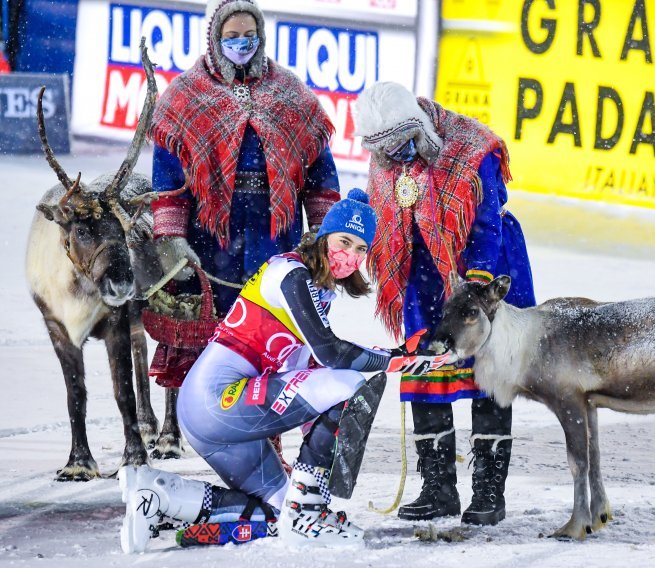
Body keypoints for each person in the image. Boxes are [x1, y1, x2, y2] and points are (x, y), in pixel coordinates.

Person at [120, 190, 449, 552]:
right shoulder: (291, 275)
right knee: (352, 383)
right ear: (323, 238)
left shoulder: (317, 293)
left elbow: (315, 367)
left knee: (279, 514)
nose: (350, 256)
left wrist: (396, 354)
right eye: (344, 241)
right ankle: (309, 511)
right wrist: (390, 361)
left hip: (223, 415)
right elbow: (331, 354)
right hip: (215, 401)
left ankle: (158, 496)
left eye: (359, 249)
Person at [353, 82, 537, 526]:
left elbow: (488, 225)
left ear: (417, 127)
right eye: (383, 149)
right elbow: (387, 221)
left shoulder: (474, 149)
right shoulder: (384, 158)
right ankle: (437, 489)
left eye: (401, 144)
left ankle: (489, 493)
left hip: (484, 269)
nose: (394, 155)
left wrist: (475, 287)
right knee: (424, 369)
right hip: (422, 278)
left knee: (488, 377)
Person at [147, 0, 339, 390]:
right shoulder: (185, 96)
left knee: (273, 329)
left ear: (262, 36)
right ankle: (215, 423)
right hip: (211, 237)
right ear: (215, 39)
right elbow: (168, 179)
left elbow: (320, 171)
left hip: (273, 232)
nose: (241, 43)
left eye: (248, 36)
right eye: (231, 37)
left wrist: (322, 237)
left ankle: (267, 431)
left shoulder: (290, 94)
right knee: (213, 335)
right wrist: (173, 243)